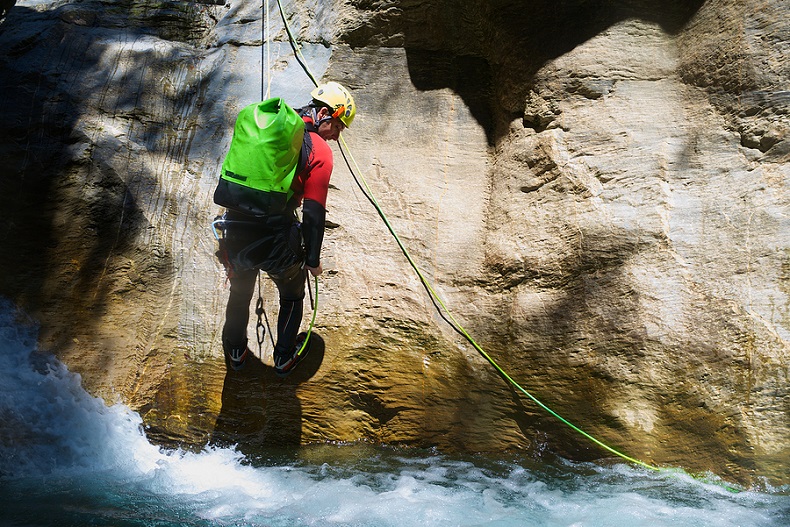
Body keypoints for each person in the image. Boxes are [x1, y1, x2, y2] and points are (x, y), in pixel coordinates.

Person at [217, 81, 356, 375]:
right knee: (292, 292)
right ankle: (284, 357)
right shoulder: (319, 150)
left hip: (235, 227)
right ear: (324, 114)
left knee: (240, 291)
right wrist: (313, 260)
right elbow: (313, 213)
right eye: (338, 127)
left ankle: (235, 352)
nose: (336, 136)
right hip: (275, 236)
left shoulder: (267, 130)